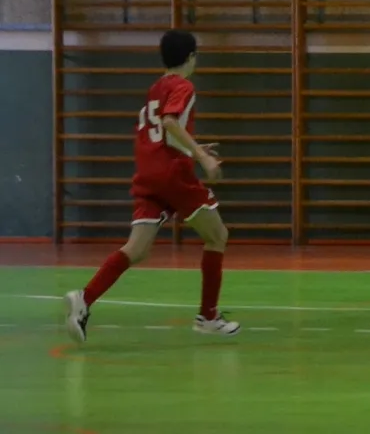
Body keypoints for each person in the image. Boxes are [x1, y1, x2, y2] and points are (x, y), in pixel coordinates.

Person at [63, 30, 239, 344]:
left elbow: (162, 132)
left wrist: (193, 148)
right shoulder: (183, 86)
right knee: (217, 236)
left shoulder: (156, 87)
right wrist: (201, 157)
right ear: (191, 57)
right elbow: (170, 122)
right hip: (173, 175)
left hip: (149, 174)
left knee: (136, 249)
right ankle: (208, 316)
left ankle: (84, 299)